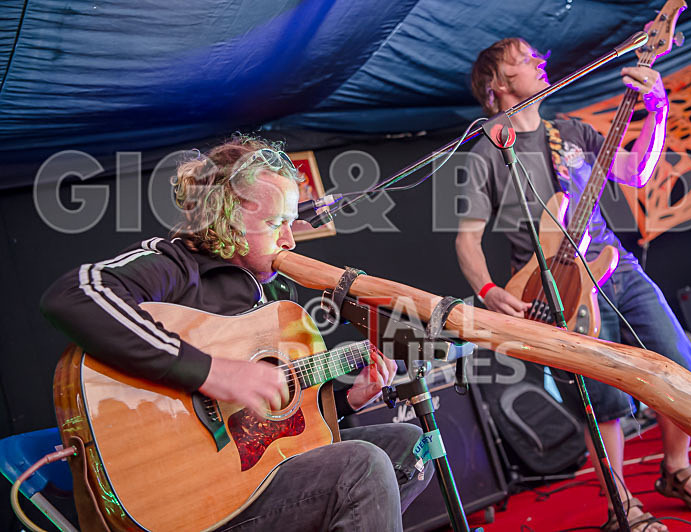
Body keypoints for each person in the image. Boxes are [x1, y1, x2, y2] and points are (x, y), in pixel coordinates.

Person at [41, 136, 432, 531]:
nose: (289, 240)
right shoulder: (175, 264)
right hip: (188, 497)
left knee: (411, 449)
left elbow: (275, 430)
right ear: (224, 215)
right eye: (275, 224)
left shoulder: (277, 295)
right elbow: (73, 295)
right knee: (362, 466)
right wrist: (211, 373)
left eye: (290, 223)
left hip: (253, 479)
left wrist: (346, 401)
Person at [455, 38, 691, 531]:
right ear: (496, 84)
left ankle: (677, 469)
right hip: (554, 288)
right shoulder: (485, 154)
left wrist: (658, 110)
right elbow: (467, 239)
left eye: (536, 55)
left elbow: (636, 170)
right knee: (601, 398)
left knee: (679, 365)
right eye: (523, 58)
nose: (540, 61)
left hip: (615, 268)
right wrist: (487, 290)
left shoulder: (570, 132)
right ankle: (620, 504)